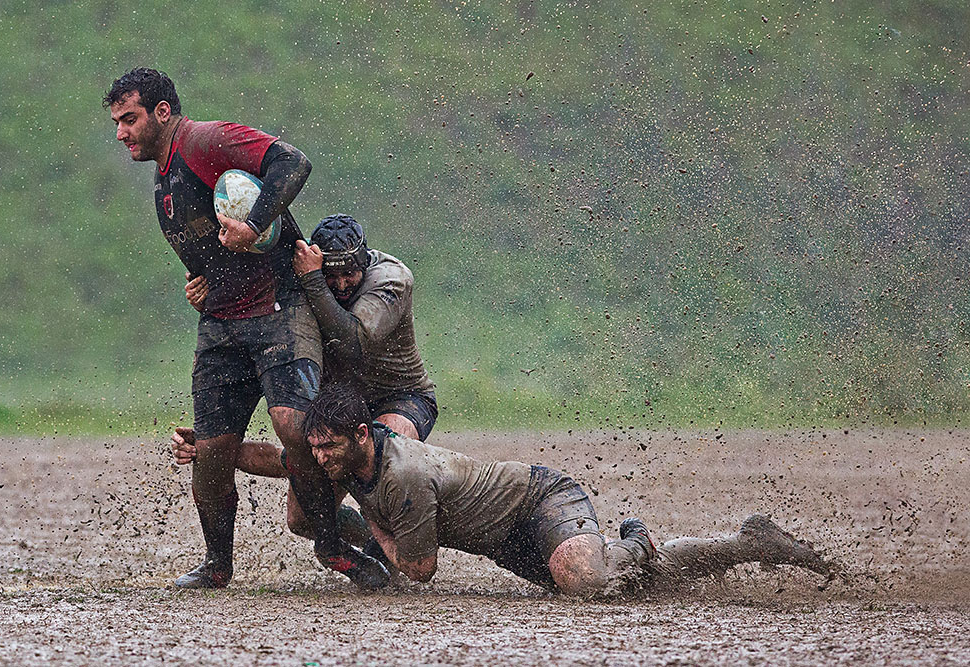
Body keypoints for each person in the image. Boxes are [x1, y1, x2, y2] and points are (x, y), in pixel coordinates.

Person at [103, 68, 388, 590]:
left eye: (129, 119)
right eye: (117, 122)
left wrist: (255, 225)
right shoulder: (165, 180)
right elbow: (210, 249)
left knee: (292, 425)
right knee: (210, 451)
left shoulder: (206, 141)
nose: (120, 132)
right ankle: (217, 565)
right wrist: (200, 284)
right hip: (222, 327)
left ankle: (331, 547)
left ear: (162, 112)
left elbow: (292, 162)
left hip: (279, 309)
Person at [302, 383, 834, 597]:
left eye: (330, 448)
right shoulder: (349, 462)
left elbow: (419, 570)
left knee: (583, 578)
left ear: (362, 435)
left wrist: (373, 525)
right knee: (648, 583)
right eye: (316, 449)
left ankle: (635, 542)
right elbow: (276, 461)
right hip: (504, 542)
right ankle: (752, 542)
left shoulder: (405, 477)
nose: (321, 459)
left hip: (539, 499)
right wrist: (222, 454)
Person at [175, 214, 437, 546]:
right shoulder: (301, 278)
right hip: (337, 408)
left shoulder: (391, 279)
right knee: (304, 518)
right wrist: (211, 445)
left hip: (399, 397)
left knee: (383, 454)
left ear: (364, 263)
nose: (341, 285)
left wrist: (315, 280)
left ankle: (410, 546)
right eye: (332, 276)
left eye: (349, 274)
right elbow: (250, 311)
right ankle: (375, 546)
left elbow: (354, 341)